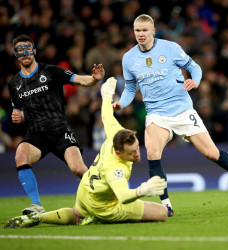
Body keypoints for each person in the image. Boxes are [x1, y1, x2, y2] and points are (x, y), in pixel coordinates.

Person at [112, 14, 228, 216]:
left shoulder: (170, 48)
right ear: (133, 32)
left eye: (145, 30)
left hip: (182, 109)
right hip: (156, 114)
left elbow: (194, 67)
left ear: (153, 31)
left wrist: (195, 80)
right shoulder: (128, 58)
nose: (141, 34)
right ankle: (166, 205)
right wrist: (121, 103)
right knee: (153, 153)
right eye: (137, 31)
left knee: (211, 153)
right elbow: (130, 88)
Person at [4, 77, 168, 228]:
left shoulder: (116, 133)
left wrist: (106, 93)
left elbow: (106, 114)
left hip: (85, 191)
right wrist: (143, 190)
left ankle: (40, 217)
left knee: (76, 214)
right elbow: (124, 196)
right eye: (131, 154)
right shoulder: (115, 169)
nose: (137, 154)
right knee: (162, 213)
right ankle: (97, 217)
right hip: (105, 207)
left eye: (137, 148)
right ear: (118, 154)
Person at [8, 34, 105, 215]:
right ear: (16, 54)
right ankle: (36, 205)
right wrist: (18, 116)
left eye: (28, 49)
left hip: (59, 128)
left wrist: (95, 79)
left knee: (78, 168)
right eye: (20, 50)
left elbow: (80, 80)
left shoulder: (50, 71)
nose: (25, 53)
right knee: (21, 155)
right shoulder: (14, 84)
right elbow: (18, 111)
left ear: (34, 51)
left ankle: (104, 194)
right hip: (36, 133)